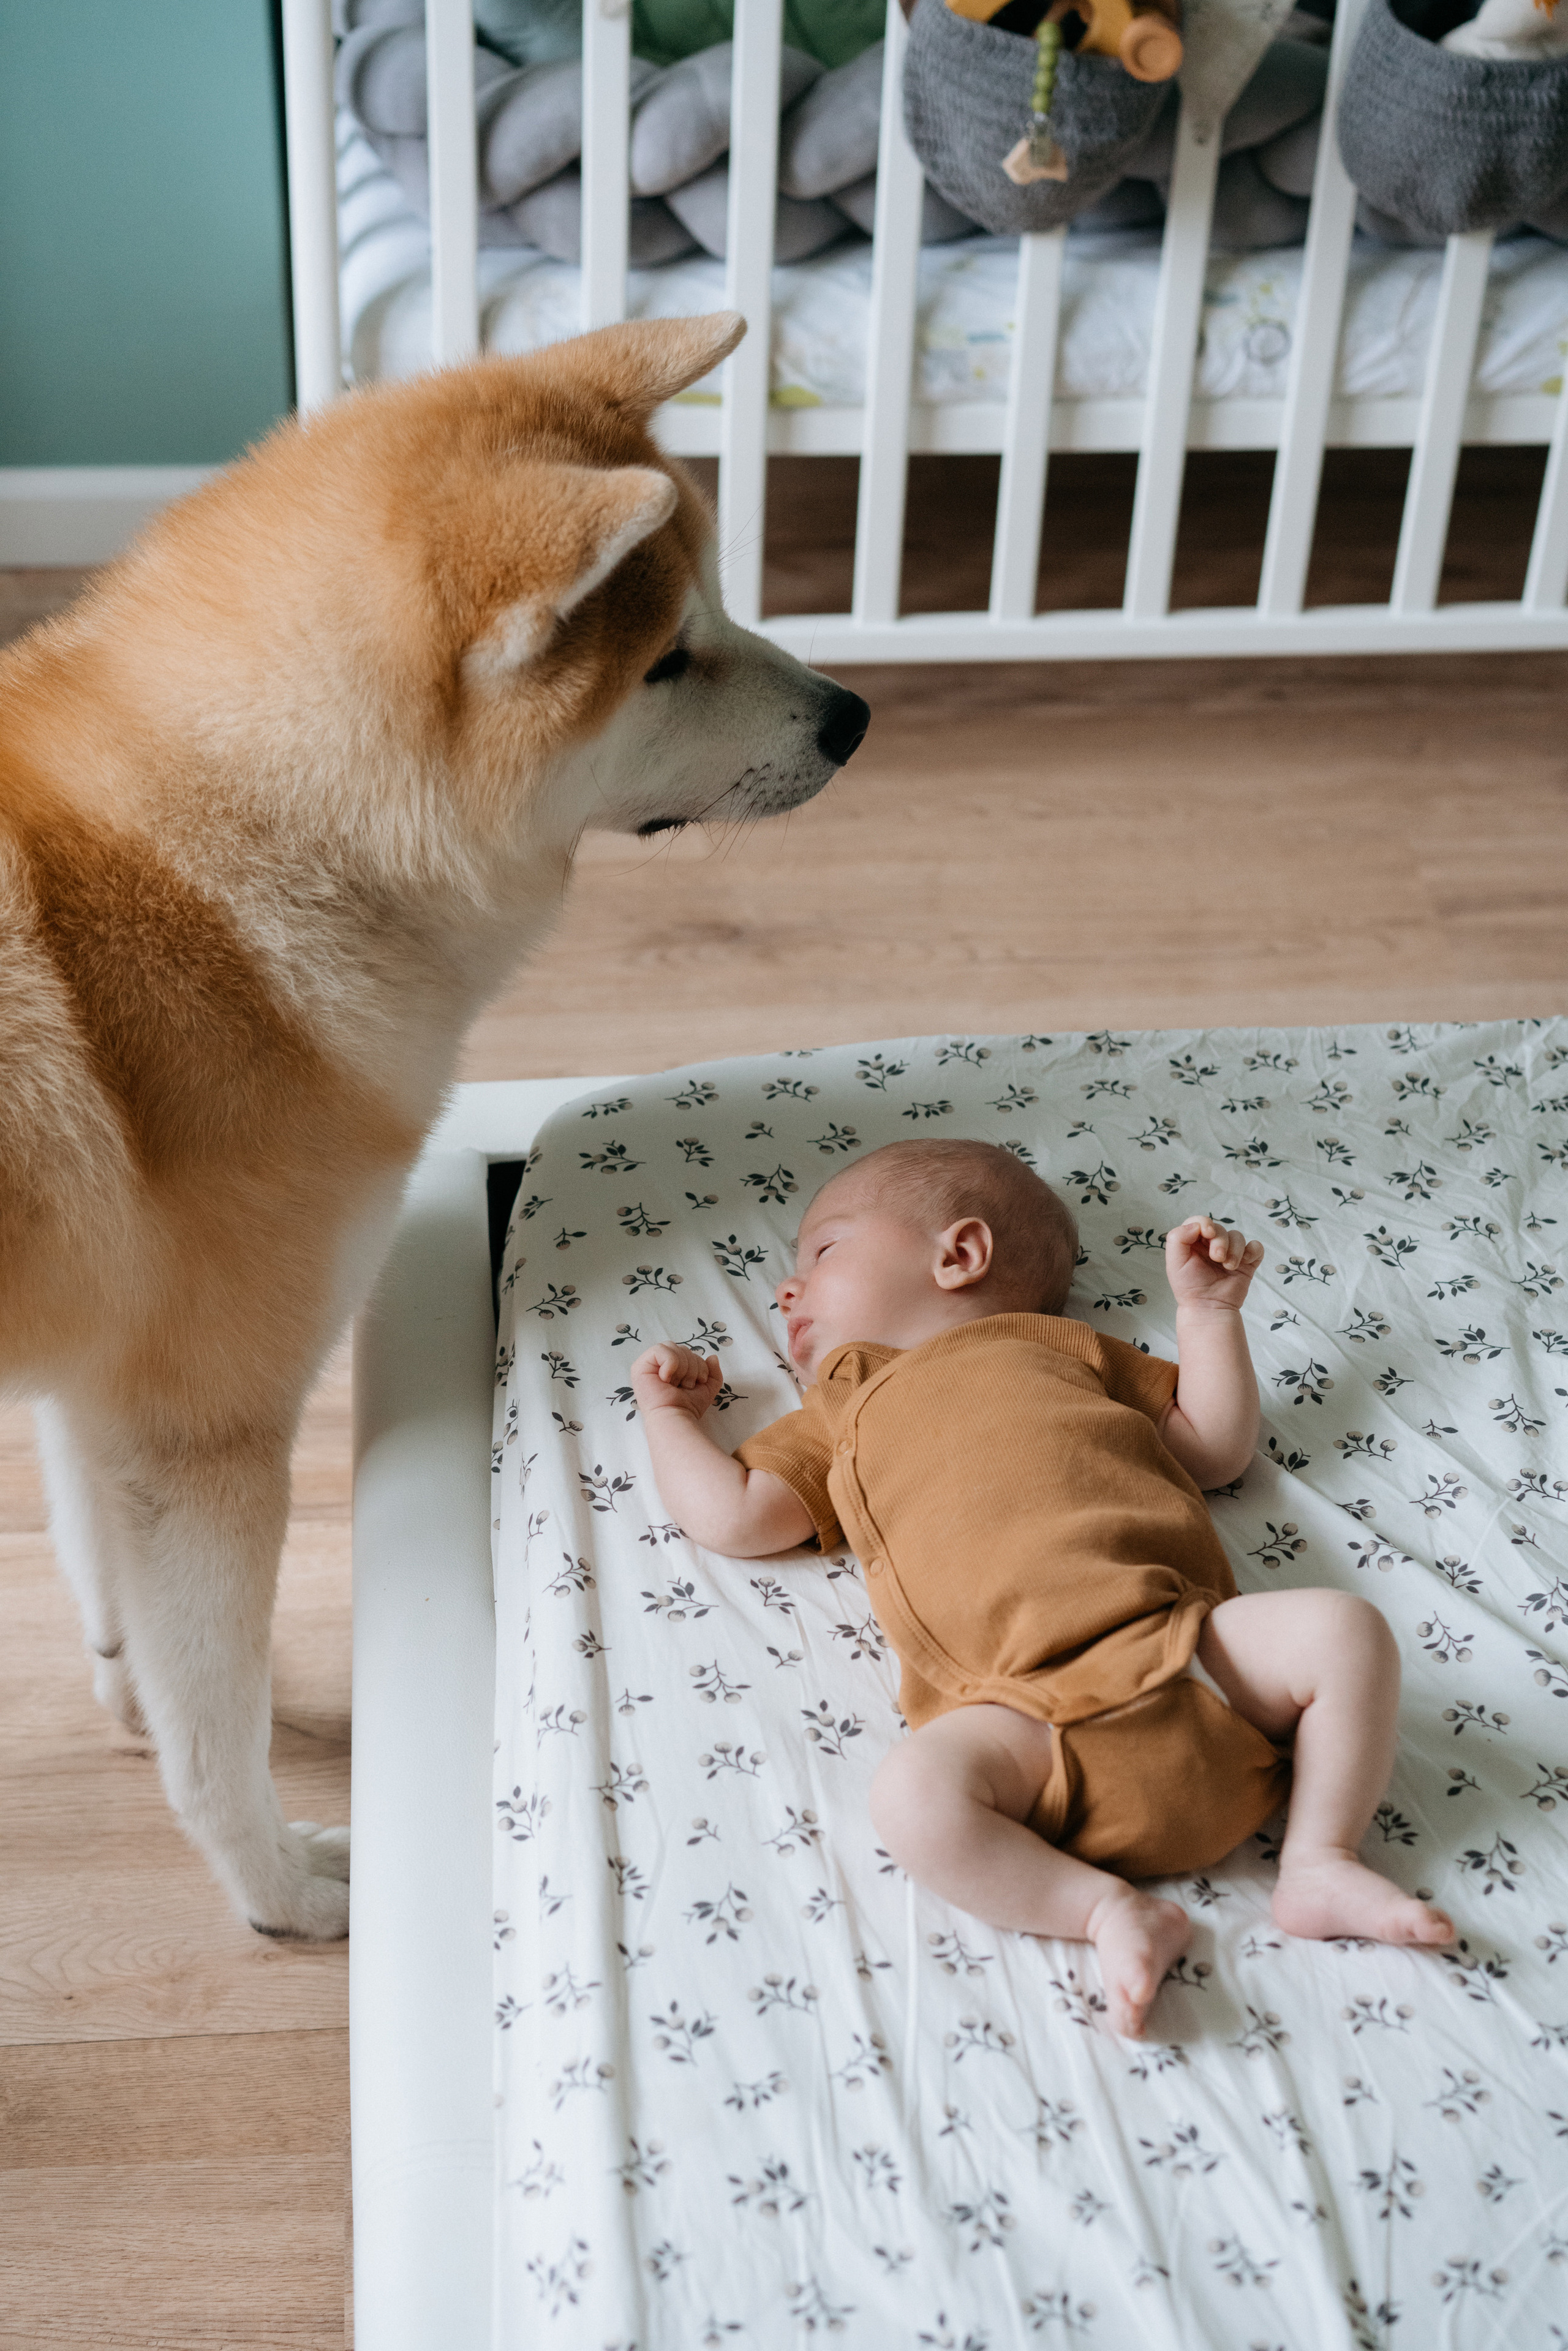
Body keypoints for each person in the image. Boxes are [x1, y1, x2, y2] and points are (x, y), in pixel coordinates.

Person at [628, 1138, 1454, 2039]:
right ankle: (1104, 1911)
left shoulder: (1066, 1348)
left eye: (822, 1253)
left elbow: (1214, 1448)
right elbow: (738, 1514)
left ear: (959, 1255)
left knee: (1345, 1629)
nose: (785, 1291)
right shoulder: (841, 1409)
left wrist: (1210, 1314)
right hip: (1022, 1722)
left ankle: (1320, 1857)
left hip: (1190, 1653)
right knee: (911, 1797)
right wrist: (669, 1419)